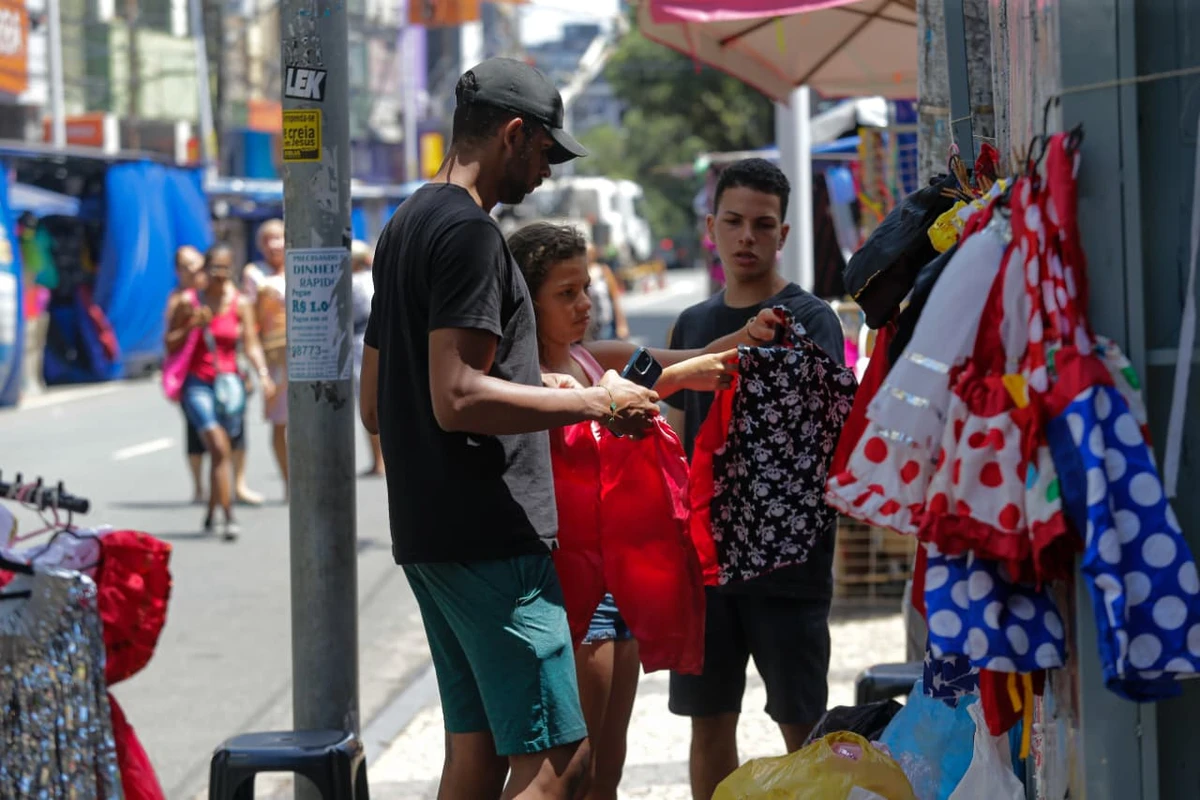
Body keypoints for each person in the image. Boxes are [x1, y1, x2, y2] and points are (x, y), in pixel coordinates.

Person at [360, 57, 661, 799]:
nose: (547, 171)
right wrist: (597, 401)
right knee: (562, 763)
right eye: (544, 152)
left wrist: (537, 390)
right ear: (512, 134)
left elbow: (376, 402)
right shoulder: (467, 234)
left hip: (433, 538)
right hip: (492, 539)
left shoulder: (404, 224)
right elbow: (457, 395)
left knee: (480, 752)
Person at [506, 221, 780, 800]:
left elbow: (695, 357)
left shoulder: (589, 358)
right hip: (574, 592)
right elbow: (615, 399)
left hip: (620, 584)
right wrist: (683, 375)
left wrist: (749, 334)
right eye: (566, 293)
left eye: (586, 289)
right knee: (567, 770)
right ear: (527, 304)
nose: (585, 303)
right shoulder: (528, 379)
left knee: (607, 767)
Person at [664, 158, 846, 800]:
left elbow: (826, 437)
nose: (747, 237)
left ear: (783, 234)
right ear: (711, 226)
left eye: (761, 225)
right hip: (706, 563)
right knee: (709, 721)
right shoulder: (691, 325)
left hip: (787, 566)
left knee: (802, 726)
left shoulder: (812, 319)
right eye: (734, 222)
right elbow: (680, 441)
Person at [166, 244, 274, 540]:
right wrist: (190, 325)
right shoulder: (189, 302)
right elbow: (169, 344)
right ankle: (228, 517)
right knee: (217, 447)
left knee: (222, 453)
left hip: (229, 384)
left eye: (226, 268)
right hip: (197, 383)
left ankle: (213, 510)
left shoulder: (240, 303)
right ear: (205, 269)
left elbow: (250, 343)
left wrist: (263, 375)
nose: (221, 274)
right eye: (215, 268)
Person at [242, 219, 289, 497]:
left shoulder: (299, 267)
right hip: (274, 359)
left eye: (278, 237)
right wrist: (261, 373)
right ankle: (289, 482)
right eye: (267, 239)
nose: (273, 244)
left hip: (307, 354)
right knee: (280, 422)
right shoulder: (255, 275)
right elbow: (250, 331)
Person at [350, 239, 384, 476]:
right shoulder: (375, 279)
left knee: (369, 403)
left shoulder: (352, 283)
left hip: (361, 342)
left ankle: (378, 462)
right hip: (384, 341)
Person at [584, 244, 628, 342]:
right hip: (588, 326)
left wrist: (622, 324)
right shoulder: (580, 273)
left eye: (588, 253)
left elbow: (615, 297)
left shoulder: (603, 271)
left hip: (605, 323)